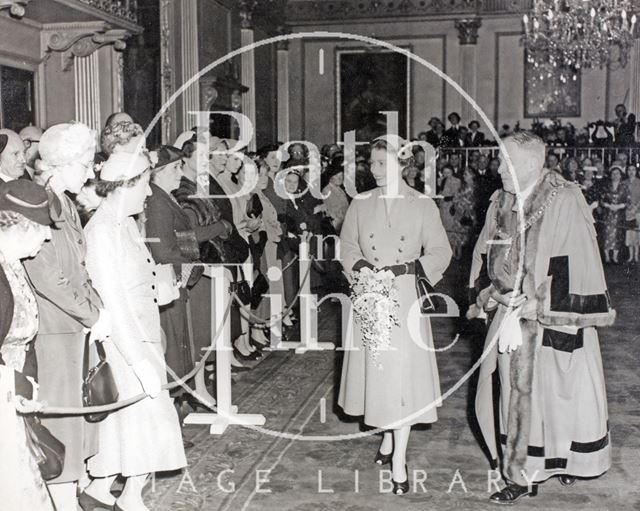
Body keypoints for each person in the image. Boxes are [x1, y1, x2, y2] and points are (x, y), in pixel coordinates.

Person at [468, 131, 614, 504]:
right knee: (513, 399)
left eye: (505, 161)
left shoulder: (564, 198)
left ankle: (561, 461)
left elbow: (578, 260)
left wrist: (541, 302)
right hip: (509, 318)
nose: (496, 168)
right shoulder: (499, 202)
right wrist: (493, 292)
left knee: (559, 399)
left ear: (530, 164)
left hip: (554, 318)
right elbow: (485, 256)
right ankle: (519, 474)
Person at [338, 135, 452, 495]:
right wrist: (360, 267)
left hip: (403, 299)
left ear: (403, 165)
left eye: (382, 163)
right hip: (370, 295)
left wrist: (405, 269)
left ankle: (399, 459)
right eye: (371, 163)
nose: (374, 170)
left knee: (401, 381)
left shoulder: (422, 205)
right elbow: (347, 245)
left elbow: (439, 252)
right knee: (381, 375)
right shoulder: (360, 203)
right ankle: (387, 437)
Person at [84, 151, 187, 511]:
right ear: (125, 185)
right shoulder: (100, 231)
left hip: (144, 332)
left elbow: (136, 275)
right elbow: (112, 302)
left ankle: (100, 491)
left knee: (133, 422)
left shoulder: (124, 221)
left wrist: (158, 288)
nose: (148, 192)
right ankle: (128, 498)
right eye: (144, 183)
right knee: (147, 418)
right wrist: (138, 360)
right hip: (126, 344)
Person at [22, 122, 111, 511]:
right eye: (85, 164)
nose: (90, 172)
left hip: (75, 329)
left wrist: (99, 309)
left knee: (78, 422)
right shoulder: (41, 205)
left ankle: (69, 500)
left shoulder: (65, 204)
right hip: (55, 333)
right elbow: (48, 279)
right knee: (62, 426)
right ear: (61, 165)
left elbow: (79, 267)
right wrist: (93, 315)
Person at [0, 180, 55, 511]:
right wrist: (17, 385)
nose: (48, 236)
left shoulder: (11, 260)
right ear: (17, 226)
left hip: (12, 393)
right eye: (42, 228)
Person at [600, 165, 629, 263]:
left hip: (619, 215)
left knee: (618, 235)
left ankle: (615, 257)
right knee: (606, 235)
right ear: (610, 175)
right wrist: (608, 205)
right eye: (613, 173)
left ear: (621, 175)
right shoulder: (606, 186)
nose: (615, 175)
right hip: (608, 214)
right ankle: (607, 256)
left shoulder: (624, 187)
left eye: (617, 173)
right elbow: (601, 200)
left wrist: (620, 206)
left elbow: (628, 201)